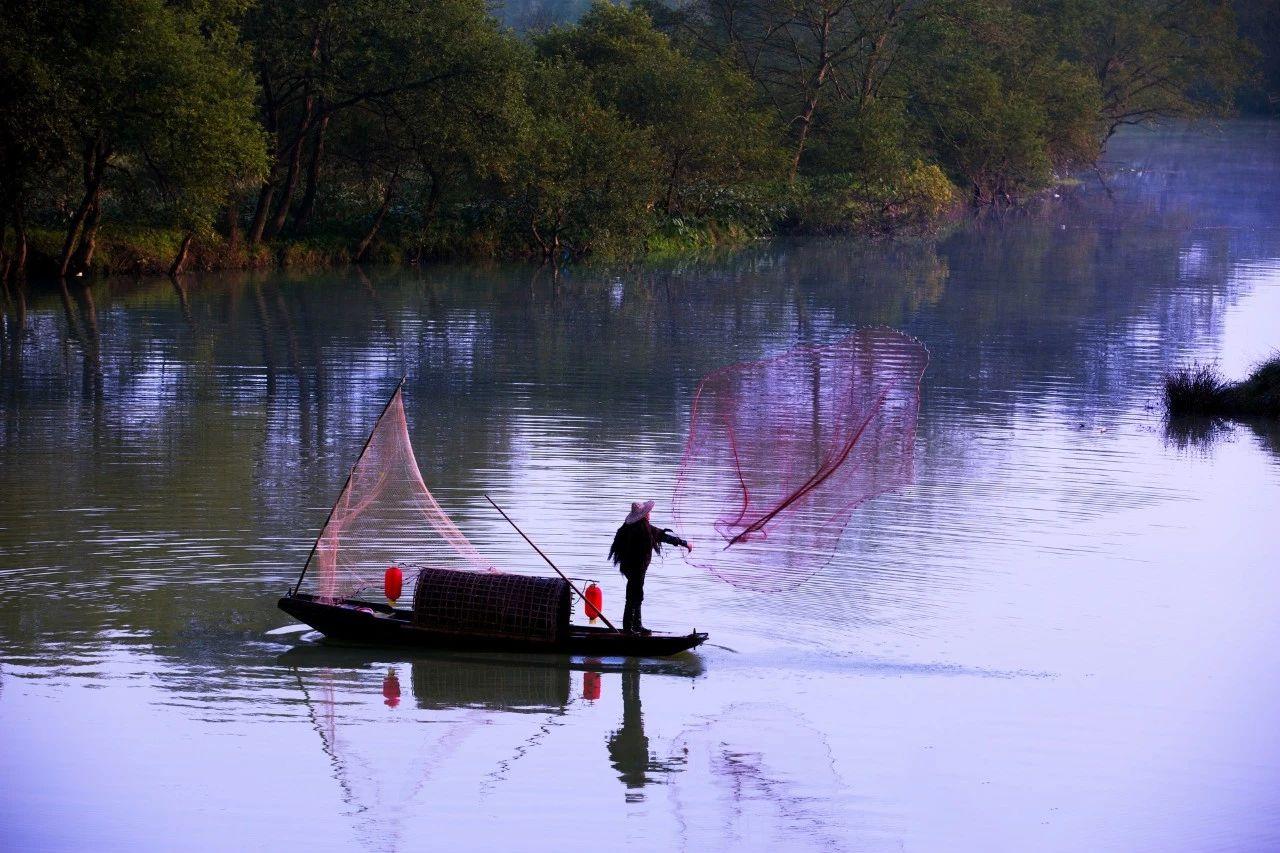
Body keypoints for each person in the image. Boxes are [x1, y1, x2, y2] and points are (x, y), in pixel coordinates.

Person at [608, 500, 691, 635]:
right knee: (634, 596)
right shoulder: (643, 528)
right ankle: (629, 629)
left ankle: (635, 626)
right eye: (648, 513)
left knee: (635, 594)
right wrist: (684, 543)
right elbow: (663, 536)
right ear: (644, 515)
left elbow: (661, 536)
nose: (649, 514)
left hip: (630, 567)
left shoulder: (630, 527)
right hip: (637, 567)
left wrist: (683, 543)